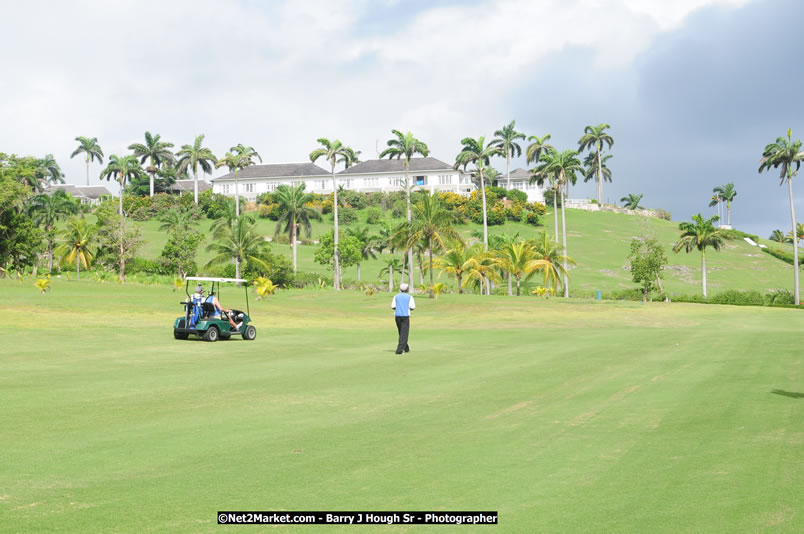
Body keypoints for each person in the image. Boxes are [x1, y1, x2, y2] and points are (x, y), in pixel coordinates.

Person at [391, 283, 415, 354]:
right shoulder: (409, 297)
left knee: (401, 332)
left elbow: (393, 306)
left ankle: (406, 348)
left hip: (397, 316)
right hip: (405, 316)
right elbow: (412, 307)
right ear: (407, 289)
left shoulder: (396, 296)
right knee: (404, 333)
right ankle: (399, 350)